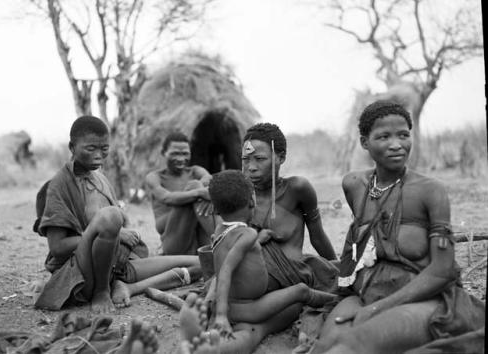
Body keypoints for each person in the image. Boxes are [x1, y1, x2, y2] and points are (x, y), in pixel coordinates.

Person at [307, 101, 485, 354]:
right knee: (324, 348)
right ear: (364, 142)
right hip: (365, 294)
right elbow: (360, 243)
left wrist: (377, 309)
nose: (396, 144)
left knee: (349, 347)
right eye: (383, 136)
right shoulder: (355, 184)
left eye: (403, 135)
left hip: (423, 300)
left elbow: (443, 271)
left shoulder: (430, 191)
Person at [35, 116, 201, 313]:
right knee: (110, 216)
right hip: (82, 273)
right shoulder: (58, 185)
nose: (99, 155)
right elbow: (57, 247)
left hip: (118, 267)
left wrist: (125, 236)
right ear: (72, 147)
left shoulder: (101, 180)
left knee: (200, 264)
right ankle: (101, 292)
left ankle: (129, 287)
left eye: (104, 149)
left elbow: (122, 225)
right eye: (91, 149)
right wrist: (116, 232)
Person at [178, 170, 336, 354]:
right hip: (250, 307)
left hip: (231, 304)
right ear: (252, 202)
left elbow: (232, 253)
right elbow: (227, 268)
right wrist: (220, 316)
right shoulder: (247, 234)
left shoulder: (219, 231)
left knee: (247, 332)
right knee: (301, 291)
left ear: (217, 209)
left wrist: (218, 308)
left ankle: (209, 346)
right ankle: (337, 300)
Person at [241, 123, 338, 292]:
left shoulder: (297, 189)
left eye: (260, 159)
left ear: (281, 157)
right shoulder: (240, 195)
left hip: (293, 277)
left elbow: (318, 237)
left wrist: (336, 271)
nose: (251, 167)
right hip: (252, 279)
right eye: (245, 159)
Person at [145, 132, 215, 255]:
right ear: (163, 153)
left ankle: (211, 245)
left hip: (198, 235)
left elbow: (208, 179)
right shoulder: (155, 177)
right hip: (172, 239)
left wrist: (202, 191)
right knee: (196, 187)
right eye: (175, 153)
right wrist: (198, 192)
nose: (181, 158)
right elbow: (166, 198)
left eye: (185, 154)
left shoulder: (195, 171)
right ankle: (220, 239)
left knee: (198, 186)